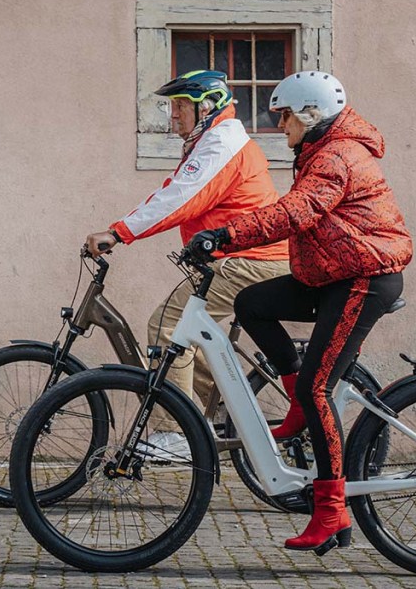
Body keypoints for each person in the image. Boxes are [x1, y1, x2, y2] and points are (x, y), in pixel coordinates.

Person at [186, 71, 412, 554]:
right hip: (334, 272)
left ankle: (330, 511)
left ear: (310, 114)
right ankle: (297, 406)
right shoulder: (319, 149)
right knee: (252, 304)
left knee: (318, 388)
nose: (278, 125)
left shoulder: (336, 154)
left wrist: (225, 236)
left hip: (362, 278)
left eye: (283, 115)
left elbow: (296, 212)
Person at [85, 70, 290, 458]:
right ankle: (215, 419)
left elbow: (179, 200)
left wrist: (119, 232)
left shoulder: (222, 143)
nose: (173, 115)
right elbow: (172, 193)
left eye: (180, 106)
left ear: (207, 106)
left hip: (249, 260)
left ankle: (174, 435)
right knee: (194, 340)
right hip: (244, 259)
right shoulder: (212, 142)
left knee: (166, 328)